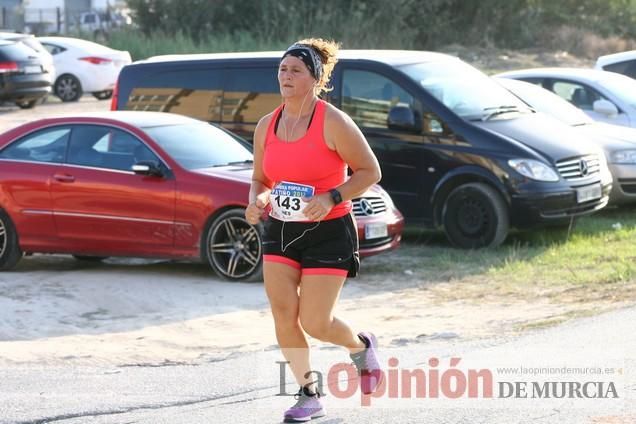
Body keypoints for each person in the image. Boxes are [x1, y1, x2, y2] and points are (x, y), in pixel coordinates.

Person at [245, 38, 383, 422]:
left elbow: (370, 171)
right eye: (282, 69)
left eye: (295, 70)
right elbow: (260, 179)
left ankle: (360, 346)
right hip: (283, 229)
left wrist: (332, 195)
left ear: (315, 79)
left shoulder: (332, 121)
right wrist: (256, 200)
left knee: (315, 322)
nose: (286, 76)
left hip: (329, 229)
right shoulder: (265, 125)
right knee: (283, 313)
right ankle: (308, 395)